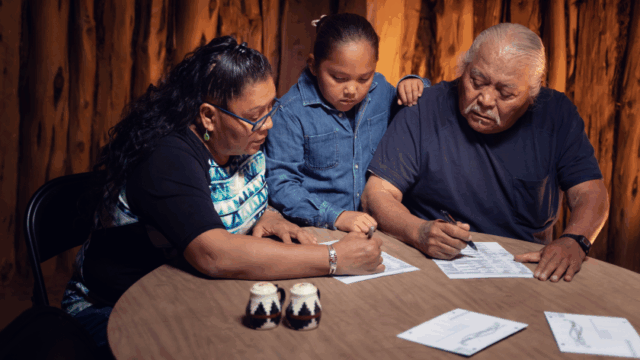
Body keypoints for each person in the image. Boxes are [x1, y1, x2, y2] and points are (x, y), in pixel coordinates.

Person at [61, 36, 385, 355]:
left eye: (271, 107)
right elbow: (213, 254)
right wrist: (334, 259)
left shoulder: (243, 137)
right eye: (256, 114)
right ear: (208, 117)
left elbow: (231, 194)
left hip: (187, 296)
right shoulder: (167, 157)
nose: (268, 123)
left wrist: (267, 214)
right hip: (114, 308)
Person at [362, 23, 609, 283]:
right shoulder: (423, 108)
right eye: (476, 81)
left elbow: (589, 192)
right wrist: (418, 231)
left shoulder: (556, 114)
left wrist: (576, 241)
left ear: (532, 93)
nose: (486, 100)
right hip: (431, 265)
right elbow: (376, 194)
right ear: (464, 67)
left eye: (506, 93)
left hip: (524, 269)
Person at [264, 13, 430, 234]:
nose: (352, 90)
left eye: (364, 78)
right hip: (319, 230)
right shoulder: (290, 113)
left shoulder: (380, 90)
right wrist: (336, 216)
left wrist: (415, 84)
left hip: (378, 228)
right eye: (339, 78)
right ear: (313, 65)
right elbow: (281, 184)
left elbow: (418, 114)